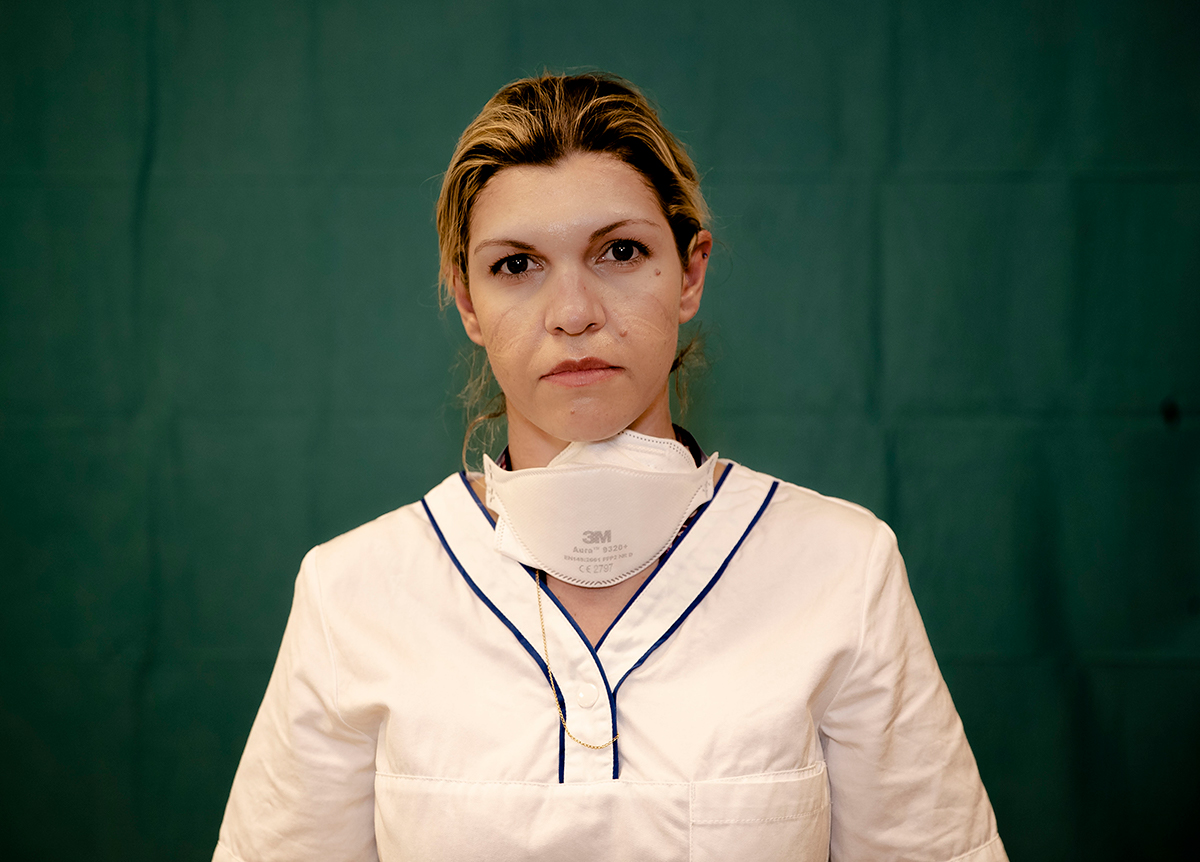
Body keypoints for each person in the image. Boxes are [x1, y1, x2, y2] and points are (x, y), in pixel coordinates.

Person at [213, 72, 1007, 862]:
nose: (573, 313)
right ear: (466, 301)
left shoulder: (843, 569)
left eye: (620, 251)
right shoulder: (352, 593)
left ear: (690, 272)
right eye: (516, 266)